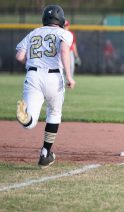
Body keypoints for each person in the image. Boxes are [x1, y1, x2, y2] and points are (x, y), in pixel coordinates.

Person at [15, 5, 76, 168]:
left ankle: (26, 119)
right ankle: (45, 153)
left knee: (30, 121)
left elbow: (19, 55)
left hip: (33, 75)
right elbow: (64, 49)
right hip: (54, 76)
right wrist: (69, 76)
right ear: (61, 19)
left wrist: (33, 62)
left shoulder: (33, 33)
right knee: (54, 113)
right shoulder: (64, 33)